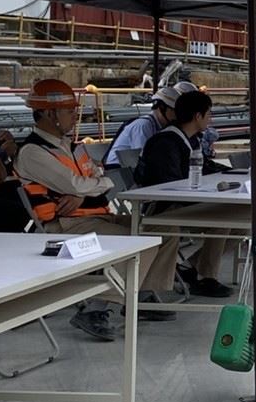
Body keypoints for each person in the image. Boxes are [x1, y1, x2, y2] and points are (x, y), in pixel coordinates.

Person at [15, 79, 181, 341]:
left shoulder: (72, 146)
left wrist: (83, 193)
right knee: (142, 241)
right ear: (49, 114)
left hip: (94, 215)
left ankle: (140, 294)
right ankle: (96, 308)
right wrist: (86, 188)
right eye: (69, 111)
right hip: (65, 224)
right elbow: (77, 183)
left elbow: (102, 178)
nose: (75, 116)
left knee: (166, 228)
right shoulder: (33, 152)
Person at [134, 90, 233, 297]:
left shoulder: (191, 139)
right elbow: (169, 185)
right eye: (209, 114)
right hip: (164, 208)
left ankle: (192, 269)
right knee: (224, 219)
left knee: (239, 221)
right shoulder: (166, 143)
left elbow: (203, 167)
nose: (210, 119)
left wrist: (227, 172)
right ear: (197, 116)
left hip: (184, 203)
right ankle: (205, 277)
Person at [105, 84, 180, 167]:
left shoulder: (158, 126)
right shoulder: (143, 126)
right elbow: (143, 158)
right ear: (162, 107)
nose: (176, 116)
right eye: (174, 111)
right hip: (117, 171)